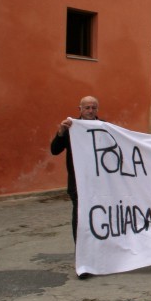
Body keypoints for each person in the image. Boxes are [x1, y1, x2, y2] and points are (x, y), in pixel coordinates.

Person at [50, 96, 99, 279]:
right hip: (78, 184)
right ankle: (83, 260)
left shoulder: (104, 126)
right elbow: (54, 150)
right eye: (87, 107)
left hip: (98, 184)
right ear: (79, 108)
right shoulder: (72, 127)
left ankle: (100, 257)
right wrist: (61, 132)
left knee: (98, 218)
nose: (90, 110)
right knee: (79, 219)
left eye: (93, 107)